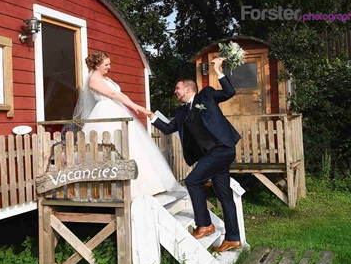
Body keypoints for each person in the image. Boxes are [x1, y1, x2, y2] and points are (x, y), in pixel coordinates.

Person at [147, 57, 242, 252]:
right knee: (224, 196)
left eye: (177, 88)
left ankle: (205, 225)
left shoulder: (206, 95)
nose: (175, 92)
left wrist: (218, 70)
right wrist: (151, 116)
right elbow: (167, 128)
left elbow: (229, 92)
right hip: (211, 154)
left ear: (188, 89)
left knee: (192, 181)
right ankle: (233, 238)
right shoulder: (181, 112)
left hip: (222, 148)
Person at [72, 51, 184, 199]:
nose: (109, 67)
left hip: (118, 110)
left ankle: (148, 185)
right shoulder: (93, 80)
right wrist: (134, 106)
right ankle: (111, 189)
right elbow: (113, 95)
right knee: (110, 148)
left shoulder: (106, 79)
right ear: (98, 65)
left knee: (134, 146)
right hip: (106, 113)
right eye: (106, 64)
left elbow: (120, 94)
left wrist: (134, 105)